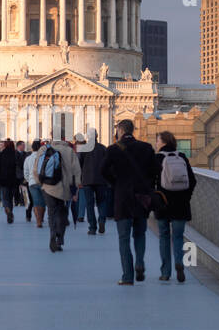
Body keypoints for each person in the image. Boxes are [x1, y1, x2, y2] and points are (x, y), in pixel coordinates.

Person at [101, 119, 157, 285]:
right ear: (133, 131)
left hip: (123, 198)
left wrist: (115, 183)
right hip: (142, 198)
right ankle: (139, 262)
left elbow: (103, 171)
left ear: (119, 130)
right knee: (140, 234)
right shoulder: (146, 148)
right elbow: (155, 171)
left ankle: (127, 276)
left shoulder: (112, 149)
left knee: (124, 238)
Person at [154, 131, 197, 283]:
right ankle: (179, 263)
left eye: (158, 141)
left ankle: (165, 272)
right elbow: (192, 181)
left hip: (163, 203)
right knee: (178, 237)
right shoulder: (182, 157)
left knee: (164, 237)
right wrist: (186, 198)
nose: (156, 143)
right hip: (181, 204)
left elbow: (151, 180)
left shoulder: (158, 158)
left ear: (163, 142)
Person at [39, 135, 81, 252]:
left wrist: (40, 183)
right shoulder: (69, 151)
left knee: (51, 213)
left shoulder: (44, 149)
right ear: (64, 138)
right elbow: (76, 171)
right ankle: (59, 238)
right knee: (62, 213)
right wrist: (76, 188)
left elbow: (36, 169)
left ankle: (52, 234)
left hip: (48, 187)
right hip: (64, 188)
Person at [79, 128, 108, 235]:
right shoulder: (103, 148)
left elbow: (80, 165)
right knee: (102, 202)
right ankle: (101, 220)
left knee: (89, 204)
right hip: (101, 180)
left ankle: (92, 227)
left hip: (87, 180)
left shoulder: (83, 149)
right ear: (97, 136)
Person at [0, 138, 20, 224]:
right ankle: (10, 211)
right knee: (11, 198)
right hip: (14, 180)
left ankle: (8, 210)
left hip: (3, 179)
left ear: (5, 145)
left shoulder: (0, 155)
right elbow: (19, 167)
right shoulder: (16, 154)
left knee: (5, 198)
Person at [23, 139, 46, 228]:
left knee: (36, 202)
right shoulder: (43, 157)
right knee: (43, 202)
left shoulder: (28, 158)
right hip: (43, 182)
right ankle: (41, 218)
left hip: (32, 183)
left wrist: (29, 180)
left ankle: (38, 221)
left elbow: (26, 172)